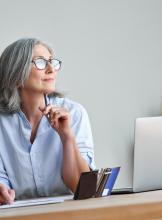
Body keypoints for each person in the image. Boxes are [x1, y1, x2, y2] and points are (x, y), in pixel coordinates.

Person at [0, 38, 95, 204]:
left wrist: (67, 137)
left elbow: (83, 188)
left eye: (52, 62)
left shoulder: (75, 113)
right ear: (15, 74)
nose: (51, 69)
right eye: (41, 62)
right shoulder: (2, 123)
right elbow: (3, 186)